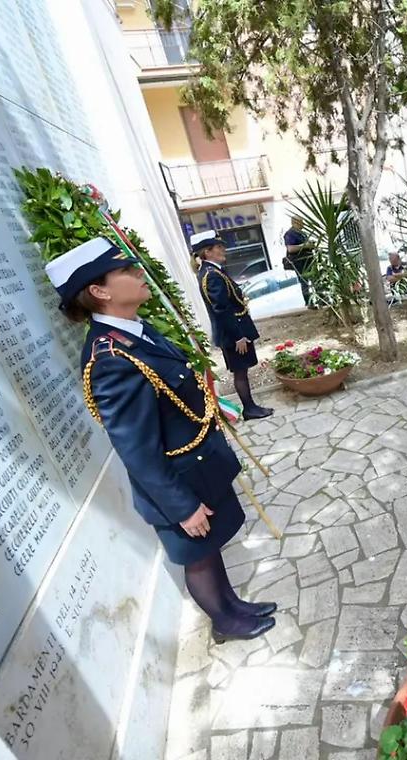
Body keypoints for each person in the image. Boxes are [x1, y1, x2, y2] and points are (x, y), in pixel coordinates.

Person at [46, 236, 277, 643]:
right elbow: (135, 450)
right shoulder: (109, 361)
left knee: (212, 544)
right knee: (198, 556)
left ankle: (233, 606)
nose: (139, 274)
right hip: (176, 481)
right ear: (99, 292)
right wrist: (182, 507)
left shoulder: (134, 330)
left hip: (196, 465)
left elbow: (173, 389)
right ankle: (224, 622)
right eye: (126, 271)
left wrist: (211, 405)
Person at [191, 231, 274, 421]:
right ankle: (249, 408)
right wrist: (238, 336)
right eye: (218, 247)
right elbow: (221, 309)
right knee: (240, 372)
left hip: (234, 330)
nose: (223, 250)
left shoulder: (213, 271)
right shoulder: (211, 275)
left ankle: (250, 406)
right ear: (207, 252)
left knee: (241, 370)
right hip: (233, 334)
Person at [284, 216, 317, 308]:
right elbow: (290, 249)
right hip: (300, 261)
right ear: (295, 223)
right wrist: (305, 246)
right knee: (304, 282)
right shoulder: (290, 234)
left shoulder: (302, 233)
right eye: (301, 222)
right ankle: (309, 302)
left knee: (315, 279)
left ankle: (321, 299)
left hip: (309, 259)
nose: (303, 224)